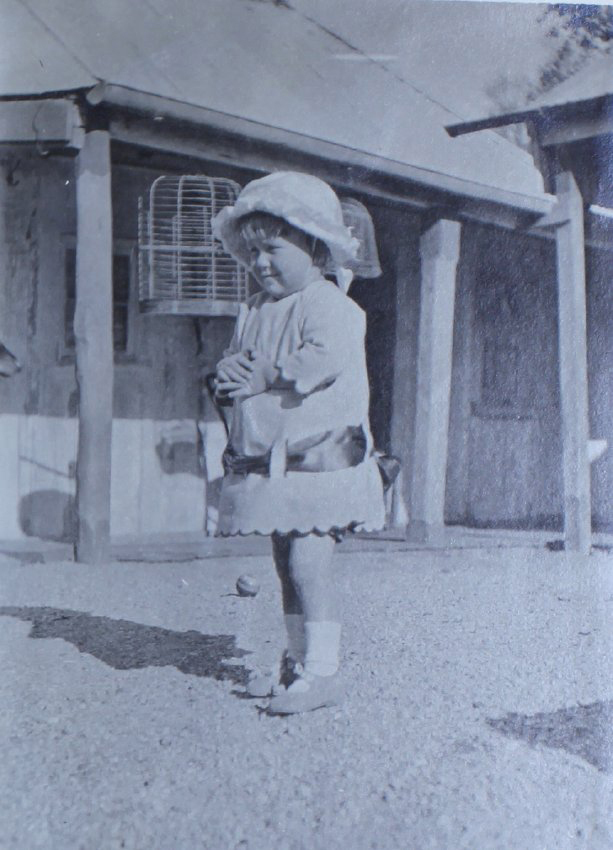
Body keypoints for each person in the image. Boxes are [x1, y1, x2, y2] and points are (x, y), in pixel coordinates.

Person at [212, 171, 385, 714]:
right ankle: (296, 659)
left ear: (314, 245)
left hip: (320, 462)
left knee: (310, 563)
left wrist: (271, 375)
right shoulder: (256, 309)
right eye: (252, 250)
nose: (261, 263)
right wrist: (230, 370)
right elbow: (241, 362)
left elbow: (324, 359)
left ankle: (325, 670)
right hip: (274, 465)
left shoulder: (328, 303)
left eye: (274, 248)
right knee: (285, 565)